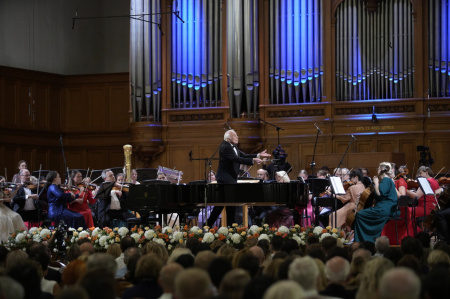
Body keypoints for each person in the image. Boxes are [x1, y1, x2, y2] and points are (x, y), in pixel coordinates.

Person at [207, 130, 269, 225]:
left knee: (229, 206)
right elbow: (237, 159)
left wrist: (258, 155)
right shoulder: (225, 147)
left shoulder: (233, 147)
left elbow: (243, 155)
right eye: (235, 136)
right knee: (222, 206)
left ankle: (227, 227)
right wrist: (253, 160)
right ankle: (210, 226)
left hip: (230, 180)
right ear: (228, 139)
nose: (237, 137)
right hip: (225, 181)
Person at [354, 162, 398, 243]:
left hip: (384, 209)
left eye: (378, 169)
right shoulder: (388, 180)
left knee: (360, 215)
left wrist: (376, 182)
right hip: (386, 207)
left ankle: (364, 241)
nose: (377, 171)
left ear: (381, 170)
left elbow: (380, 193)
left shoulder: (386, 180)